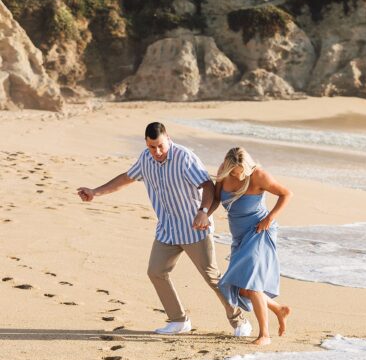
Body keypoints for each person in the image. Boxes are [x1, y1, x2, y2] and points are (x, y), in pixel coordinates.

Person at [77, 122, 251, 338]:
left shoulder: (184, 157)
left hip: (194, 227)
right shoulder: (145, 159)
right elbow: (126, 178)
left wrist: (204, 211)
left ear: (168, 138)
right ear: (146, 144)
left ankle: (239, 320)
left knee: (212, 277)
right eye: (152, 147)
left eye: (160, 146)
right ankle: (179, 320)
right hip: (167, 229)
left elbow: (207, 186)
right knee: (156, 272)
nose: (157, 152)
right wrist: (95, 192)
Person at [211, 146, 292, 346]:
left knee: (253, 285)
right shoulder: (224, 171)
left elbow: (286, 194)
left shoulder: (258, 176)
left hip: (259, 232)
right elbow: (215, 197)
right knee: (240, 288)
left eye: (241, 172)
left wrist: (270, 218)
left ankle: (265, 334)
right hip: (239, 236)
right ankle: (277, 309)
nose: (238, 176)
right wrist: (204, 212)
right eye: (234, 172)